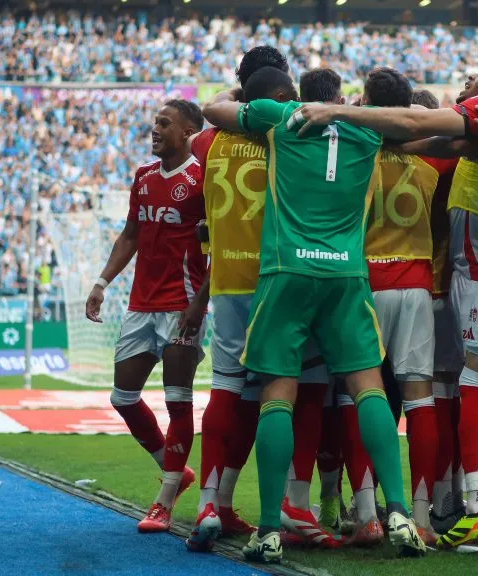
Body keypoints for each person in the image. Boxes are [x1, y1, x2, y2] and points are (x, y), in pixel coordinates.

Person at [294, 43, 478, 552]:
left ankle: (474, 509)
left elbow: (417, 126)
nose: (477, 83)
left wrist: (336, 110)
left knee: (477, 379)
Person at [201, 71, 426, 563]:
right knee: (368, 388)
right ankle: (400, 513)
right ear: (343, 99)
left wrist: (240, 93)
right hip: (346, 274)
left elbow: (213, 110)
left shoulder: (280, 116)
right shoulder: (371, 128)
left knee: (276, 394)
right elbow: (427, 127)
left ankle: (268, 530)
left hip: (286, 270)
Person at [185, 56, 322, 552]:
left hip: (225, 282)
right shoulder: (282, 133)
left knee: (227, 389)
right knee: (299, 387)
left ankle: (210, 501)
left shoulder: (208, 140)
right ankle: (294, 502)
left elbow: (216, 107)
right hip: (275, 278)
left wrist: (237, 93)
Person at [85, 99, 205, 533]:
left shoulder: (202, 179)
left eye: (164, 123)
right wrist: (101, 283)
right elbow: (131, 234)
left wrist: (200, 303)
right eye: (155, 121)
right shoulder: (144, 177)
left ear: (189, 132)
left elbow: (216, 248)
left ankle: (165, 500)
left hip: (182, 305)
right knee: (123, 397)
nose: (154, 129)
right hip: (140, 305)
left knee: (178, 401)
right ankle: (177, 470)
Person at [360, 66, 459, 546]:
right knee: (420, 400)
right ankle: (420, 514)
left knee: (360, 396)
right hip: (417, 284)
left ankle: (364, 515)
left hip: (363, 285)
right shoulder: (431, 161)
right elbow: (458, 138)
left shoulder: (357, 155)